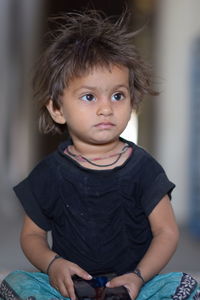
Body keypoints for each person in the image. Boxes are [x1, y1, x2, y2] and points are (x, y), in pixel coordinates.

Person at [0, 10, 199, 300]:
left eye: (117, 95)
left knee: (183, 285)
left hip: (134, 286)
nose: (106, 108)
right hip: (69, 288)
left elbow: (167, 232)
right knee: (16, 282)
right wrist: (53, 264)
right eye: (89, 96)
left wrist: (138, 276)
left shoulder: (143, 168)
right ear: (57, 109)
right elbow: (31, 236)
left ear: (132, 100)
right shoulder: (49, 173)